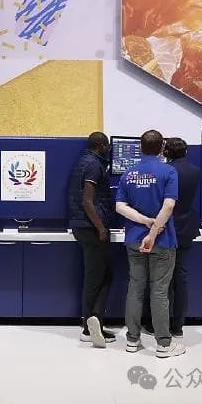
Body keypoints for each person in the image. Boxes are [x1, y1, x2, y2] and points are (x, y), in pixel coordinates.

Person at [116, 130, 186, 358]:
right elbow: (168, 206)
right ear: (162, 148)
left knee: (135, 289)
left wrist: (143, 222)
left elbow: (120, 207)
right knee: (159, 292)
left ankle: (132, 340)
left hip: (134, 239)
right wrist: (153, 232)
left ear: (140, 147)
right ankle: (163, 344)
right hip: (162, 242)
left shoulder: (128, 173)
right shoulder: (168, 172)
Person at [67, 131, 116, 348]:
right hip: (91, 228)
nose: (109, 150)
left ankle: (93, 320)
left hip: (82, 226)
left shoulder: (82, 162)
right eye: (107, 146)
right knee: (98, 277)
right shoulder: (94, 165)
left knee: (99, 274)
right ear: (102, 146)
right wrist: (101, 227)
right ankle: (90, 326)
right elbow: (87, 201)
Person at [162, 137, 201, 338]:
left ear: (167, 152)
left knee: (164, 280)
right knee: (181, 278)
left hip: (168, 229)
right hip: (187, 228)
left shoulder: (166, 171)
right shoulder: (195, 171)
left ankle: (162, 323)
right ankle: (178, 326)